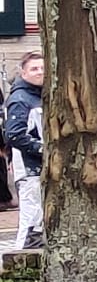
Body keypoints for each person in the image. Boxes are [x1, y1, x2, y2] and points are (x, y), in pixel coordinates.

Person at [6, 52, 45, 250]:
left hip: (41, 168)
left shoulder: (42, 95)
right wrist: (43, 149)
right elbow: (14, 135)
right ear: (24, 73)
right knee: (32, 220)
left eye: (42, 68)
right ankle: (20, 260)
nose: (40, 72)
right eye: (34, 69)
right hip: (30, 170)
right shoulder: (20, 99)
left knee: (40, 220)